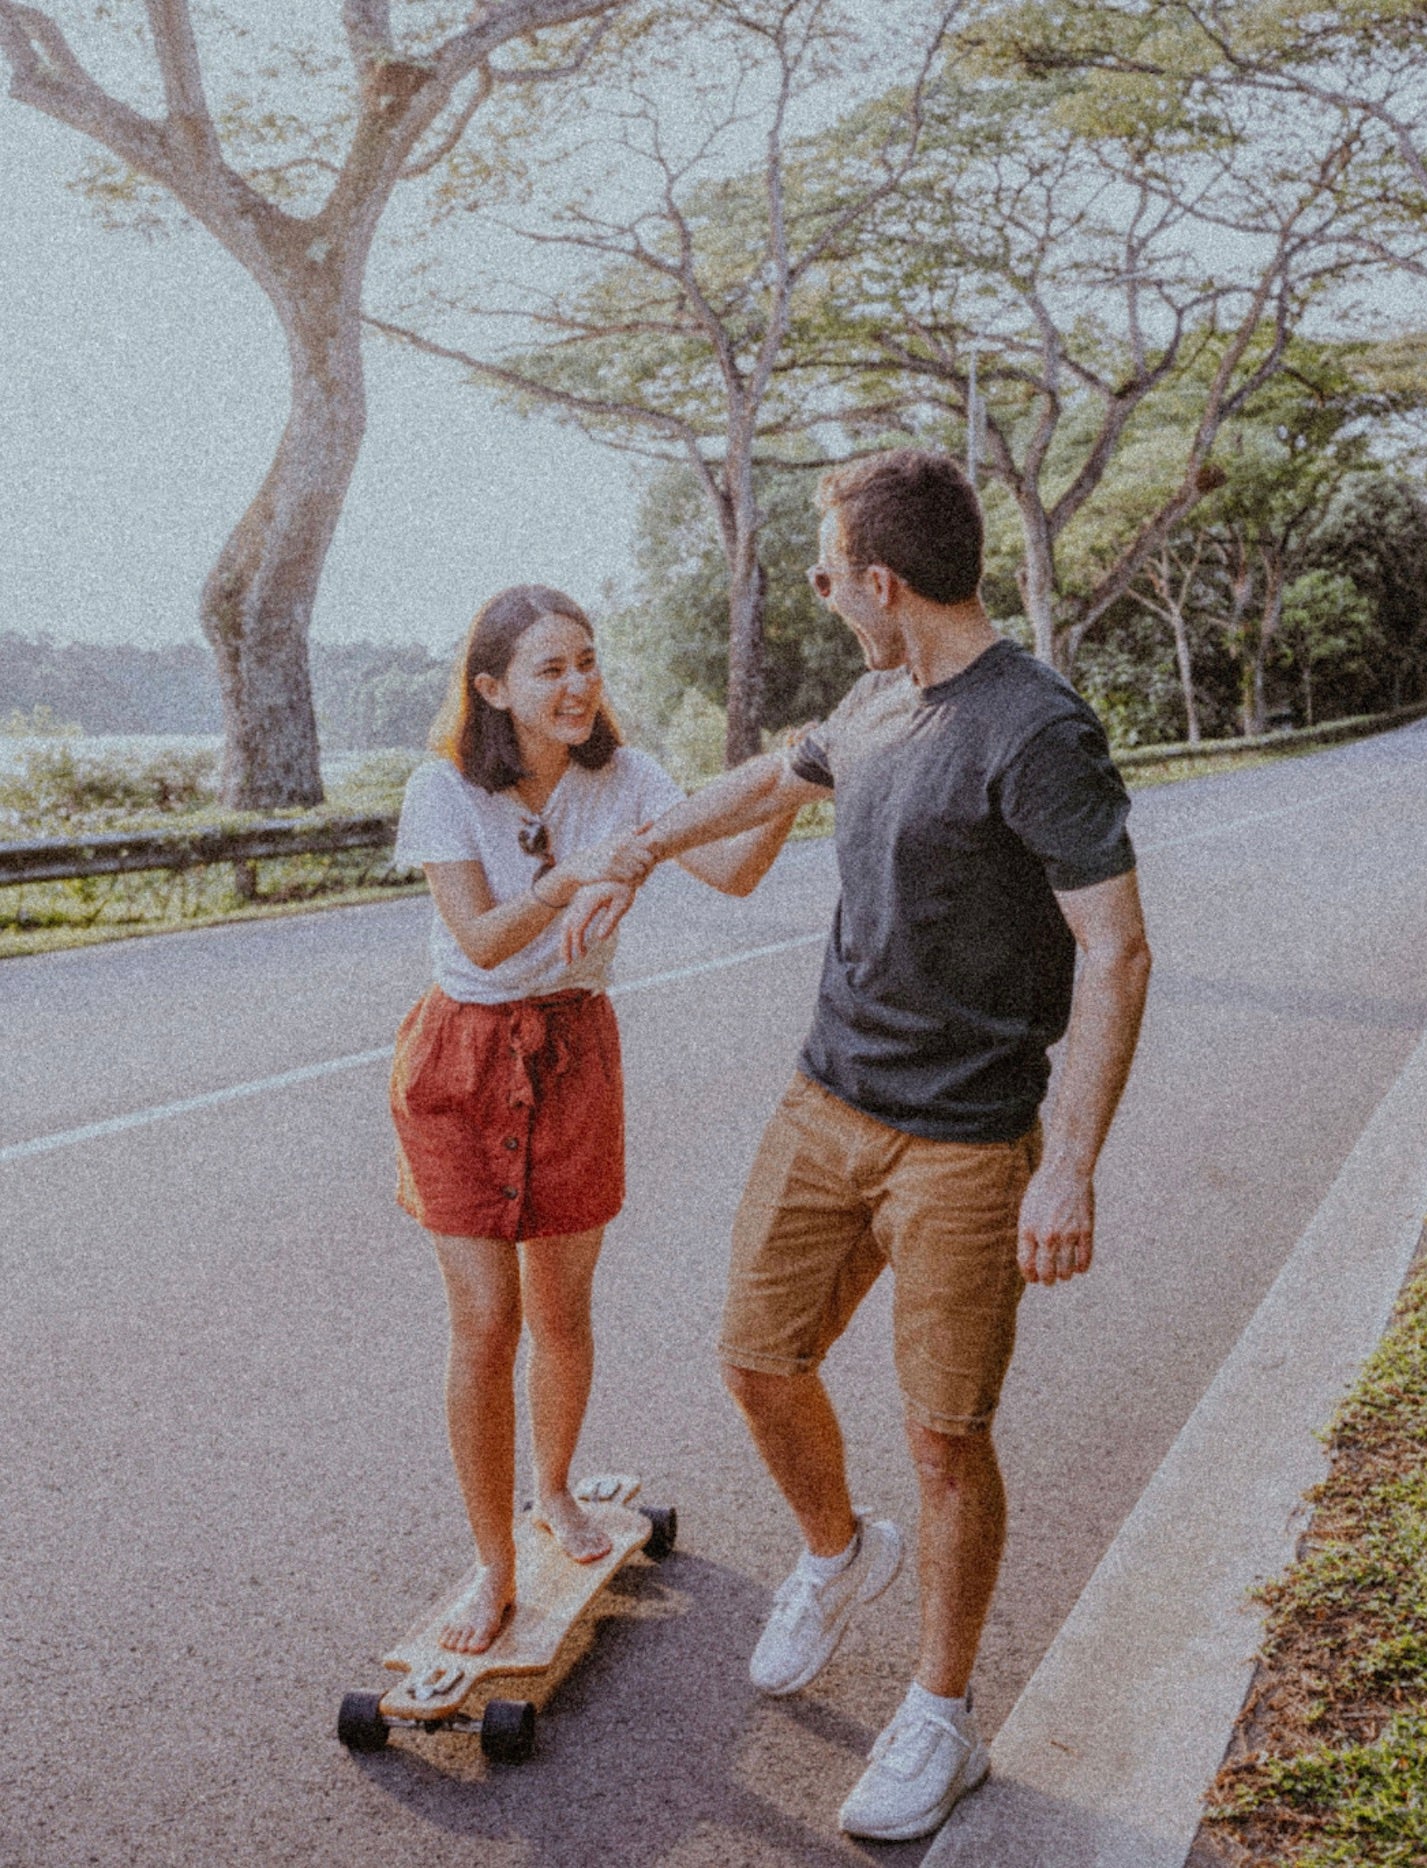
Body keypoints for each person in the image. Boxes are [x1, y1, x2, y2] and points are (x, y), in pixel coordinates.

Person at [572, 450, 1152, 1842]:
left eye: (831, 573)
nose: (827, 593)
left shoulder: (1036, 731)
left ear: (884, 581)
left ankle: (941, 1716)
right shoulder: (879, 694)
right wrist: (642, 848)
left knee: (947, 1436)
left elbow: (1118, 950)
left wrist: (1067, 1163)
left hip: (964, 1146)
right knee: (757, 1362)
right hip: (825, 1101)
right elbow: (780, 775)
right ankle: (839, 1552)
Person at [389, 584, 797, 1655]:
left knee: (562, 1308)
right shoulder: (442, 789)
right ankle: (493, 1560)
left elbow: (737, 871)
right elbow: (478, 940)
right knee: (486, 1322)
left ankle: (557, 1490)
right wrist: (576, 876)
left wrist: (797, 782)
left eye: (588, 662)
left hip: (573, 1051)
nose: (576, 685)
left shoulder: (628, 778)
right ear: (492, 688)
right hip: (463, 1060)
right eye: (548, 668)